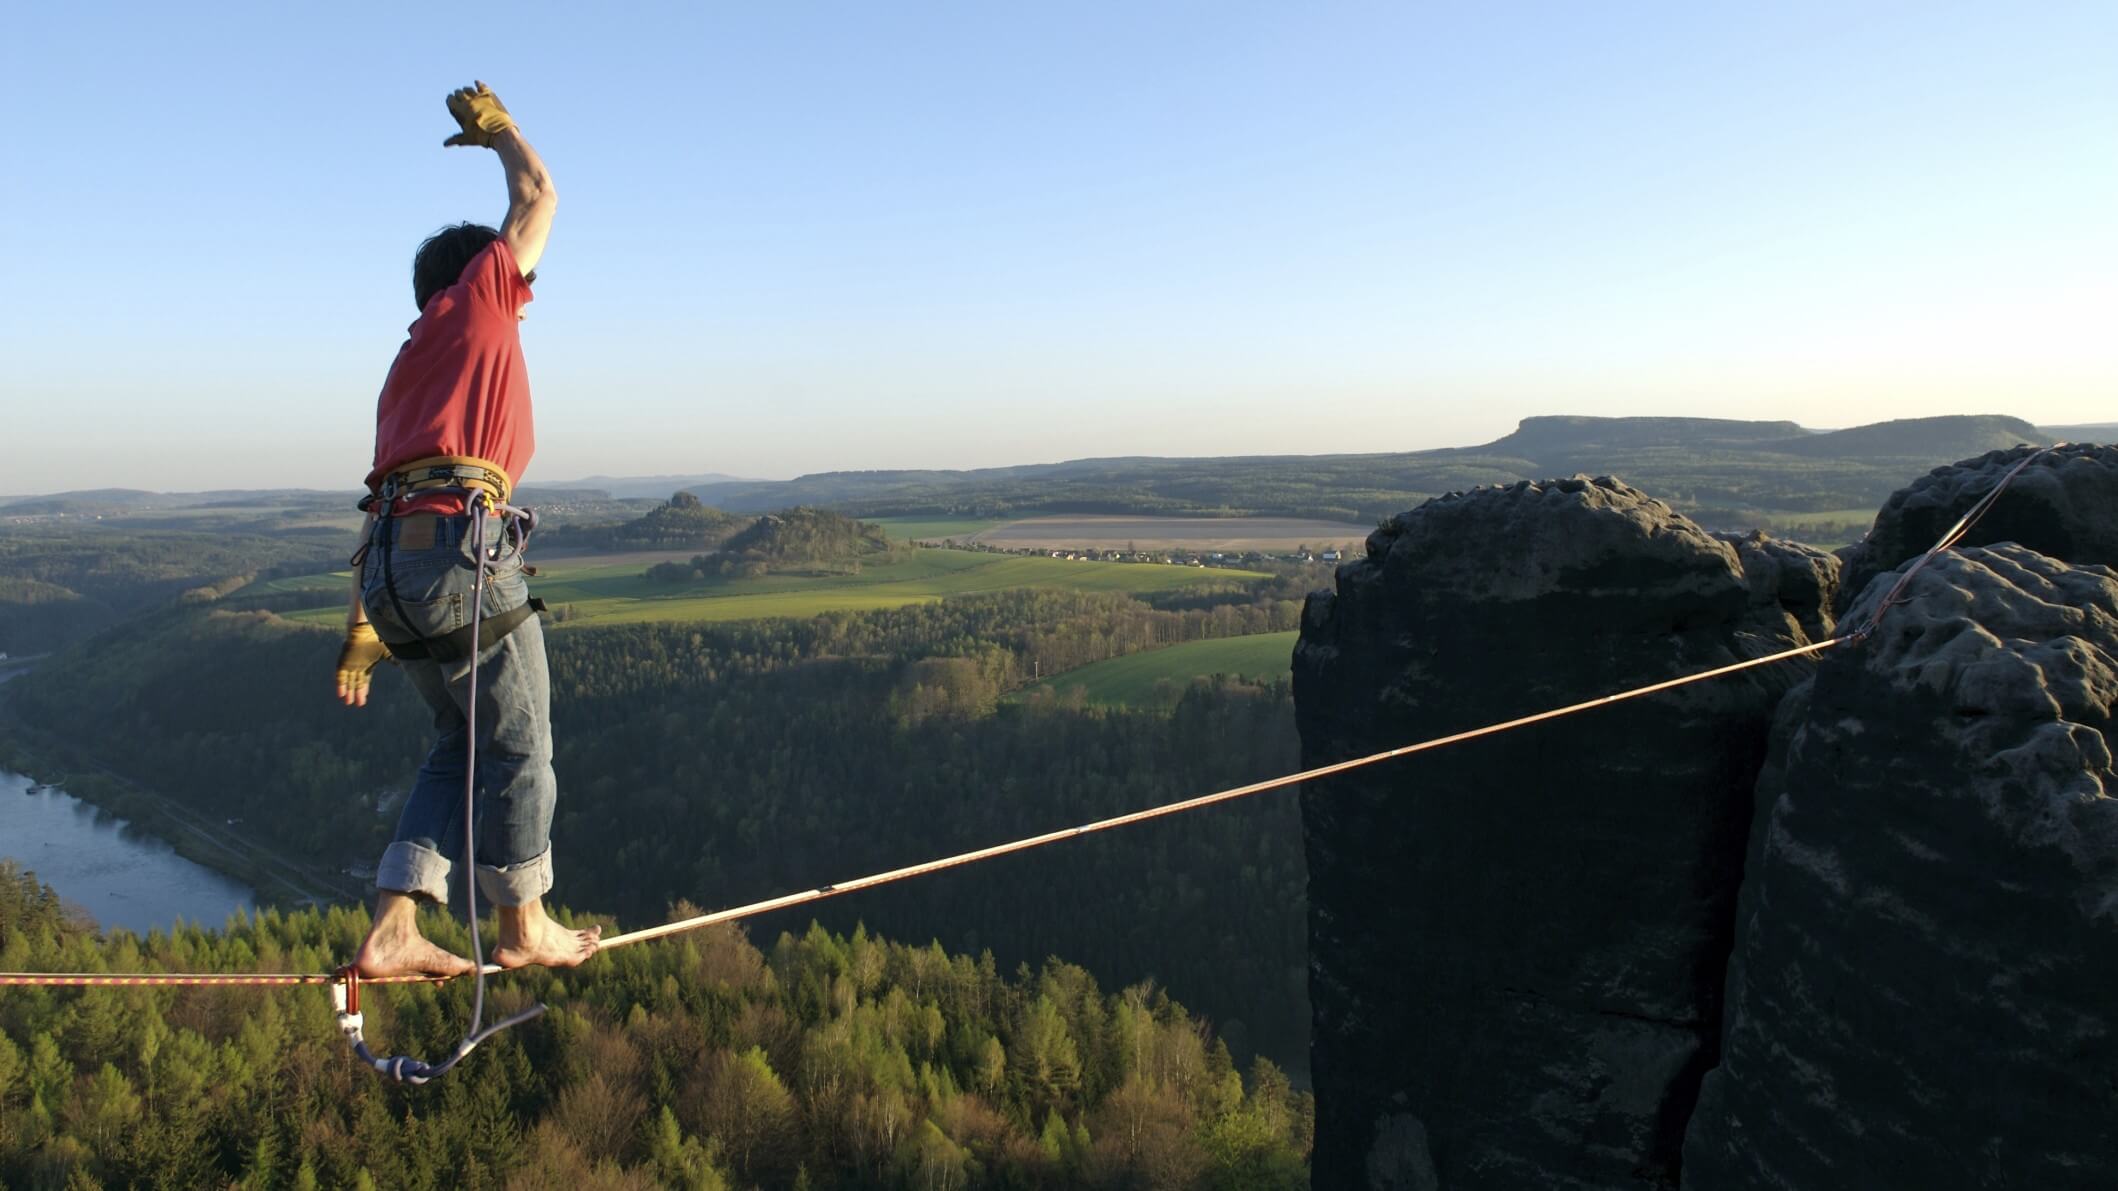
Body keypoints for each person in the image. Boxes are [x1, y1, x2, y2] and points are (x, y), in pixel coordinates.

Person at [333, 81, 599, 979]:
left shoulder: (407, 367)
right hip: (460, 557)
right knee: (522, 740)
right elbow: (538, 197)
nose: (525, 286)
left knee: (461, 741)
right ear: (482, 273)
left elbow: (381, 510)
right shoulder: (480, 299)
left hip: (394, 575)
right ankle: (525, 922)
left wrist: (359, 639)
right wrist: (502, 131)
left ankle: (395, 925)